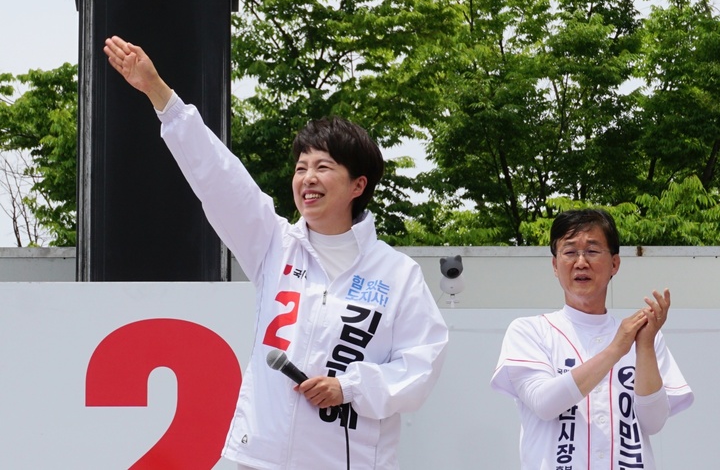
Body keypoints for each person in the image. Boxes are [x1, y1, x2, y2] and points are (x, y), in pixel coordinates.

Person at [103, 35, 449, 470]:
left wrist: (351, 387)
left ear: (358, 185)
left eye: (323, 167)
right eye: (301, 168)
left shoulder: (397, 274)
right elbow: (218, 176)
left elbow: (423, 363)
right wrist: (160, 94)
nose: (308, 178)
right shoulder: (273, 242)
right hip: (260, 458)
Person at [490, 208, 693, 469]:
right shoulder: (531, 331)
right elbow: (543, 403)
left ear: (615, 264)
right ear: (555, 265)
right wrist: (616, 349)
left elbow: (653, 423)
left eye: (593, 251)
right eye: (570, 251)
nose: (581, 262)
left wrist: (644, 346)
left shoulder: (644, 336)